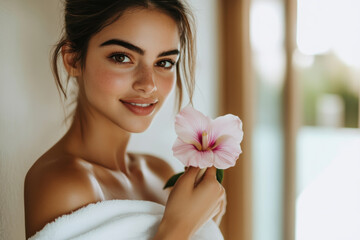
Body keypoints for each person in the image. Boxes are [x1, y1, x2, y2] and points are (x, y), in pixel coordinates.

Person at [24, 0, 226, 239]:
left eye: (164, 62)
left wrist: (208, 221)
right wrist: (178, 227)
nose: (148, 84)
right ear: (73, 59)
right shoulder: (62, 184)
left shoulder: (159, 172)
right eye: (122, 57)